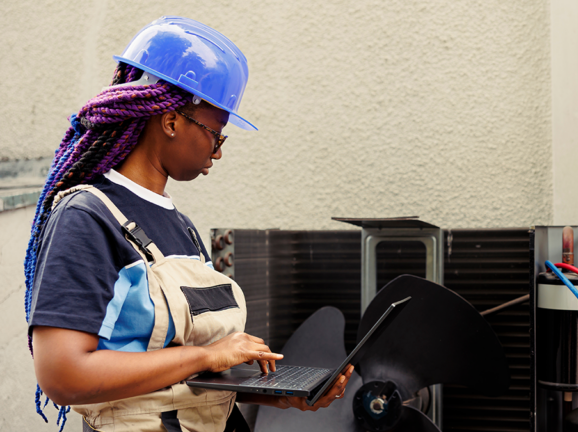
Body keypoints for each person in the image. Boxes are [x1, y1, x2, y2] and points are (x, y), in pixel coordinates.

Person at [24, 16, 352, 432]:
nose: (218, 151)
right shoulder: (87, 218)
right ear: (172, 121)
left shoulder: (181, 227)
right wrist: (207, 355)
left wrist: (275, 392)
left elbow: (181, 375)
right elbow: (62, 375)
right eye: (216, 133)